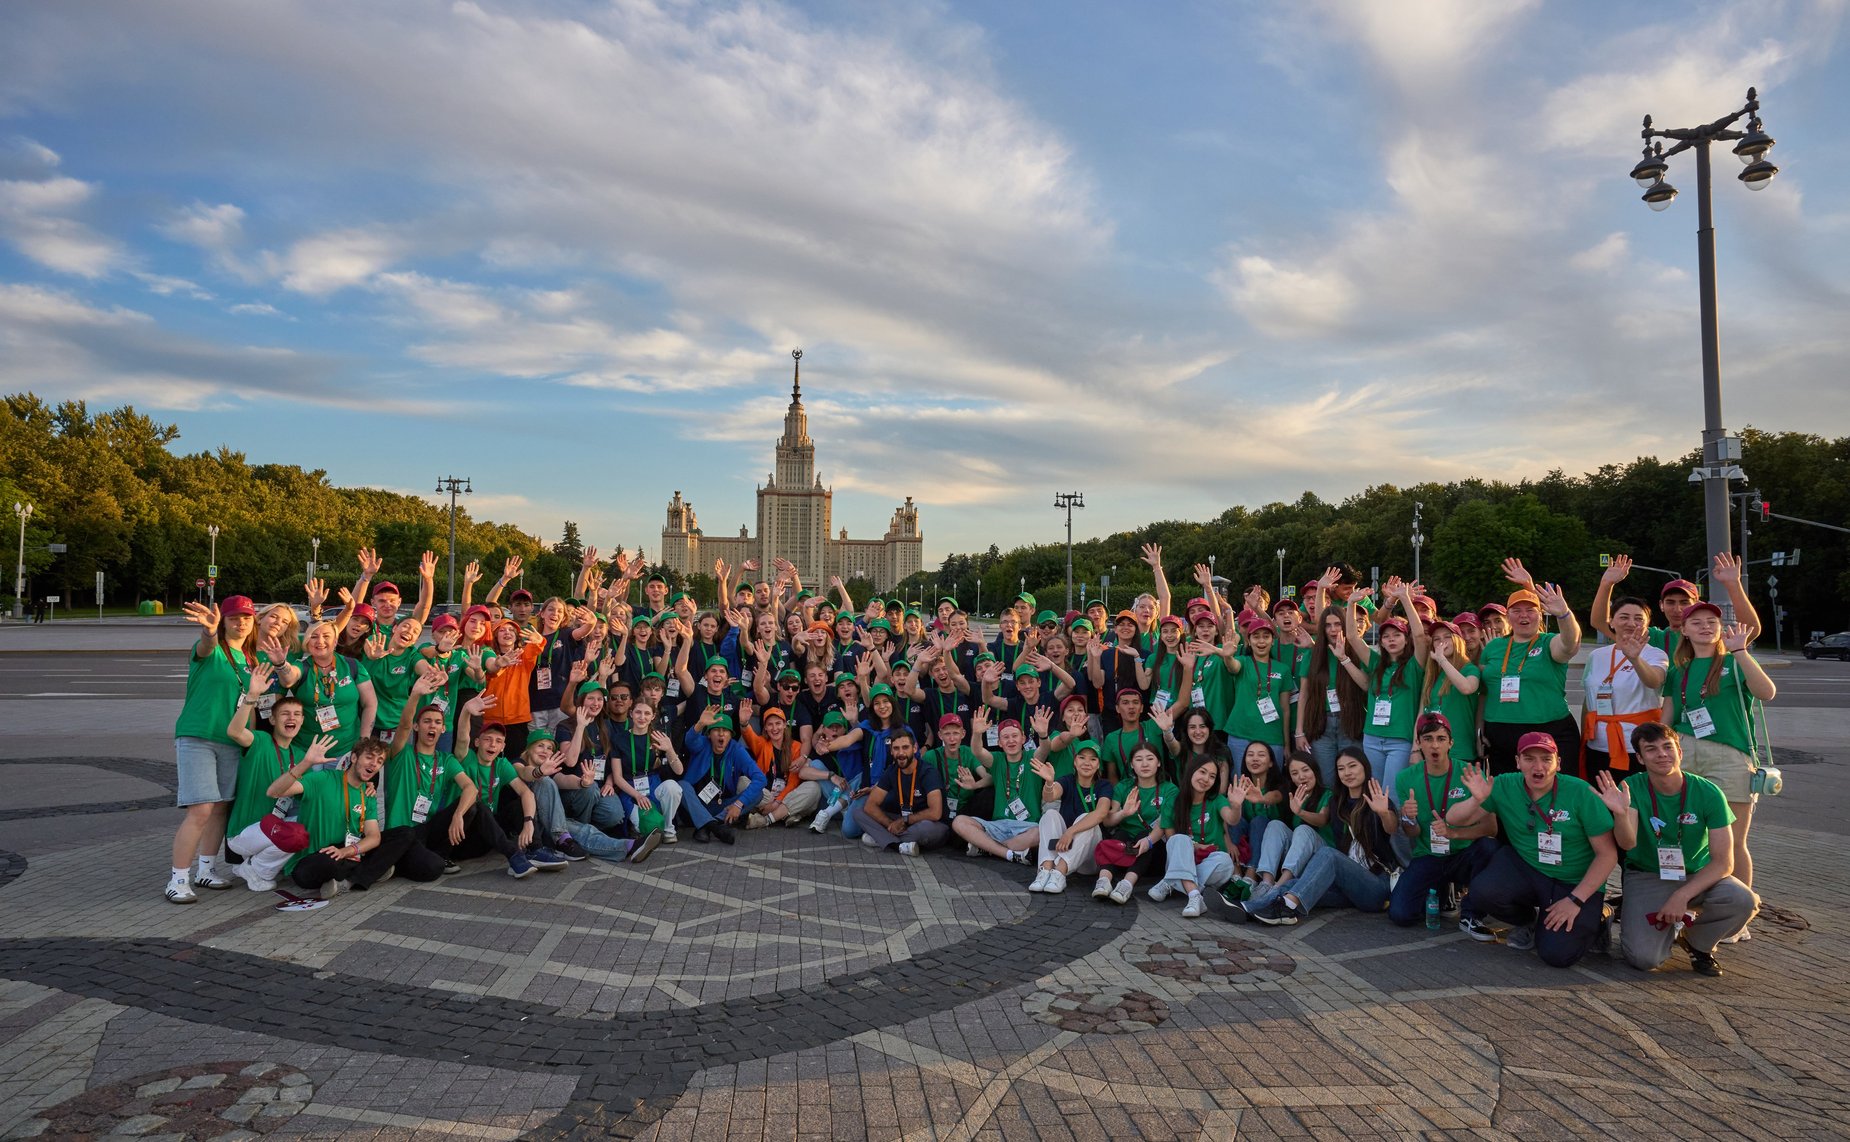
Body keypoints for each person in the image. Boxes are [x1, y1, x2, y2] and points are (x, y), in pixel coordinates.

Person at [1593, 723, 1757, 975]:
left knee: (1743, 900)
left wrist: (1681, 897)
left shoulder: (1708, 792)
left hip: (1697, 875)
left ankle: (1696, 942)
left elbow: (1724, 863)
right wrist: (1621, 814)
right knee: (1644, 959)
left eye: (1667, 747)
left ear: (1680, 751)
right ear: (1640, 758)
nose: (1661, 754)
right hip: (1647, 874)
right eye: (1651, 749)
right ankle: (1642, 925)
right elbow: (1628, 844)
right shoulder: (1632, 787)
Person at [1446, 733, 1618, 967]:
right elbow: (1454, 819)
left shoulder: (1581, 792)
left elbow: (1608, 854)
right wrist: (1476, 800)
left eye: (1546, 759)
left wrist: (1575, 900)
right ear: (1518, 762)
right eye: (1529, 758)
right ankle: (1529, 920)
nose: (1538, 767)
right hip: (1531, 870)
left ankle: (1599, 916)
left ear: (1558, 762)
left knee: (1557, 955)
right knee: (1483, 891)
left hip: (1575, 883)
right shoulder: (1505, 784)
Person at [1662, 602, 1775, 913]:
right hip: (1685, 751)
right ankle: (1689, 904)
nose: (1704, 626)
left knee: (1734, 840)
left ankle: (1738, 915)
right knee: (1687, 835)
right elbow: (1668, 719)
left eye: (1711, 621)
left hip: (1731, 756)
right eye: (1695, 622)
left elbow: (1766, 692)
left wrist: (1741, 651)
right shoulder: (1679, 671)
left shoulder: (1735, 661)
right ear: (1683, 630)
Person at [1231, 749, 1402, 926]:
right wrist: (1296, 810)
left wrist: (1383, 813)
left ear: (1365, 768)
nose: (1347, 772)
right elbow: (1322, 817)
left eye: (1352, 766)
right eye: (1341, 768)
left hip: (1375, 886)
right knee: (1294, 885)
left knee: (1329, 855)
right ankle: (1247, 908)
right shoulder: (1338, 801)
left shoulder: (1377, 799)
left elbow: (1391, 828)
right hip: (1346, 888)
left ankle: (1287, 908)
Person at [167, 596, 259, 904]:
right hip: (199, 736)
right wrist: (208, 632)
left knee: (221, 807)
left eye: (246, 617)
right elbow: (204, 646)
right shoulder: (211, 650)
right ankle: (178, 878)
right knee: (201, 809)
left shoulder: (250, 660)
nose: (240, 622)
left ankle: (206, 869)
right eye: (233, 617)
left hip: (231, 742)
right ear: (224, 621)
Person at [1387, 713, 1499, 932]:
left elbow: (1491, 828)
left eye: (1440, 738)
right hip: (1429, 854)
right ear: (1418, 743)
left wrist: (1454, 833)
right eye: (1428, 739)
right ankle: (1441, 890)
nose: (1434, 745)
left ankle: (1470, 914)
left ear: (1451, 742)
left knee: (1490, 848)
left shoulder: (1470, 774)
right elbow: (1412, 833)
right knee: (1400, 914)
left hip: (1463, 854)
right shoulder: (1406, 778)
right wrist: (1408, 817)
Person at [1478, 564, 1583, 775]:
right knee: (1510, 796)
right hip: (1501, 733)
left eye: (1530, 610)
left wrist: (1564, 614)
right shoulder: (1493, 647)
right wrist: (1478, 731)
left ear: (1540, 614)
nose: (1523, 615)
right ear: (1508, 617)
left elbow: (1570, 644)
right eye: (1516, 611)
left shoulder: (1548, 643)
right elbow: (1484, 693)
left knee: (1557, 793)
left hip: (1550, 730)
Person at [266, 733, 387, 900]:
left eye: (379, 761)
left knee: (403, 834)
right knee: (328, 862)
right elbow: (274, 792)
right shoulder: (323, 779)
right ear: (353, 758)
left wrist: (345, 851)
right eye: (369, 757)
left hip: (345, 851)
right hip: (314, 858)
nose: (374, 764)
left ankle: (347, 880)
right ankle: (372, 870)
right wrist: (306, 763)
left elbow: (373, 836)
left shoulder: (368, 793)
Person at [223, 663, 310, 891]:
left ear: (302, 721)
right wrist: (252, 695)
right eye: (285, 714)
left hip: (273, 827)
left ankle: (256, 866)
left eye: (297, 715)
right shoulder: (260, 741)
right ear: (272, 720)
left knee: (310, 825)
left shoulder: (301, 755)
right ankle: (257, 869)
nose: (291, 718)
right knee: (296, 836)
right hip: (243, 832)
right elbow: (233, 732)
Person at [1341, 579, 1428, 793]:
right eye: (1386, 636)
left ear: (1405, 640)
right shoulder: (1376, 663)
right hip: (1371, 738)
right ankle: (1377, 827)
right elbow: (1352, 637)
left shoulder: (1414, 666)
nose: (1391, 640)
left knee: (1393, 794)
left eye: (1397, 635)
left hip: (1400, 740)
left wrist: (1404, 598)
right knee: (1374, 792)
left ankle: (1395, 828)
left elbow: (1419, 635)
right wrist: (1351, 603)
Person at [1579, 597, 1667, 783]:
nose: (1631, 623)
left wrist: (1635, 659)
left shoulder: (1655, 654)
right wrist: (1584, 737)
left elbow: (1654, 681)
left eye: (1639, 619)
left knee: (1635, 802)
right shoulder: (1596, 655)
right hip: (1598, 745)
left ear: (1648, 624)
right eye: (1624, 617)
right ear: (1611, 621)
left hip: (1637, 746)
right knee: (1601, 802)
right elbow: (1589, 699)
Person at [1151, 760, 1239, 918]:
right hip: (1183, 856)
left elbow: (1231, 819)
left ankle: (1172, 880)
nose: (1206, 779)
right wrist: (1196, 846)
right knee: (1180, 839)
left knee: (1226, 861)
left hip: (1210, 861)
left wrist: (1237, 806)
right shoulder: (1174, 799)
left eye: (1212, 776)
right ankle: (1194, 896)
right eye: (1202, 772)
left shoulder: (1217, 800)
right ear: (1191, 772)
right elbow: (1171, 840)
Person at [1028, 739, 1115, 894]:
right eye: (1082, 758)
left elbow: (1101, 813)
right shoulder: (1067, 780)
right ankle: (1045, 871)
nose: (1087, 763)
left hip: (1090, 858)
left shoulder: (1104, 785)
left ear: (1098, 765)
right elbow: (1050, 797)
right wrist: (1049, 782)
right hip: (1064, 849)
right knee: (1050, 814)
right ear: (1074, 761)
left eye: (1093, 759)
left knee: (1087, 819)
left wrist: (1070, 832)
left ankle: (1059, 874)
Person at [1092, 743, 1176, 904]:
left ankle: (1126, 884)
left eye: (1150, 759)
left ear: (1158, 762)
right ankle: (1104, 880)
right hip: (1123, 849)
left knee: (1144, 836)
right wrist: (1123, 812)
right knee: (1119, 835)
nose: (1144, 764)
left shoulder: (1170, 789)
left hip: (1152, 852)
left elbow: (1165, 824)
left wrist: (1148, 841)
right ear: (1131, 764)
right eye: (1139, 759)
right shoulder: (1123, 787)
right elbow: (1108, 821)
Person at [951, 716, 1040, 863]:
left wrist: (1042, 734)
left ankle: (988, 849)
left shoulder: (1033, 758)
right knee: (959, 822)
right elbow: (977, 751)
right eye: (1005, 737)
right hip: (998, 826)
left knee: (1042, 832)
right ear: (999, 742)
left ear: (1023, 738)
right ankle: (1009, 853)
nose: (1011, 740)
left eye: (1014, 736)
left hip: (1028, 827)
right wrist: (978, 733)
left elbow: (1045, 748)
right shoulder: (997, 759)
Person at [849, 727, 948, 856]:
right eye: (896, 748)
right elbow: (871, 805)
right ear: (891, 751)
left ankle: (883, 839)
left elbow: (935, 813)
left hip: (926, 823)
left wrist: (905, 821)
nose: (901, 753)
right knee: (859, 812)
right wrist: (890, 824)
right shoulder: (891, 771)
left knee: (924, 829)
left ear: (915, 748)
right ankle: (899, 845)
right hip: (901, 821)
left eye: (905, 747)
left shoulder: (928, 772)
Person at [678, 707, 758, 843]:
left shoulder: (736, 750)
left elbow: (759, 778)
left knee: (758, 793)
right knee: (682, 786)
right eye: (716, 730)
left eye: (725, 731)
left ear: (731, 735)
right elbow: (690, 741)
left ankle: (707, 826)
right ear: (709, 734)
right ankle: (716, 828)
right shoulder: (702, 743)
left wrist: (738, 804)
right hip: (695, 806)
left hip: (721, 808)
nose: (721, 734)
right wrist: (700, 724)